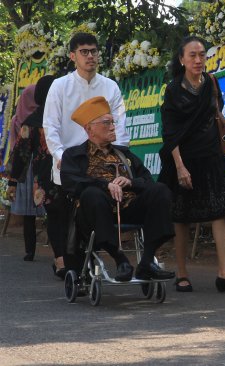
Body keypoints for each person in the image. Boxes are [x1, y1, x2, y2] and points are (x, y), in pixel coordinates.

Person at [159, 36, 225, 293]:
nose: (198, 60)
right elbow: (170, 133)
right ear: (181, 60)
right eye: (192, 56)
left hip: (211, 156)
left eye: (202, 55)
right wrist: (179, 167)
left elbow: (216, 112)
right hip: (184, 159)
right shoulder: (173, 89)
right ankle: (182, 273)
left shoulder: (211, 82)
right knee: (181, 217)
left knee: (220, 213)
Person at [61, 96, 175, 281]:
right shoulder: (74, 156)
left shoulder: (124, 154)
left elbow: (147, 180)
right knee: (91, 194)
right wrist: (105, 185)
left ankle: (146, 262)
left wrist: (130, 182)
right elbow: (71, 183)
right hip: (95, 212)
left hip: (128, 207)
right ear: (89, 128)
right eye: (107, 123)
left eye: (113, 122)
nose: (113, 127)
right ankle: (120, 259)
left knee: (160, 191)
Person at [43, 32, 129, 271]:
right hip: (70, 163)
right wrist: (61, 157)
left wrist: (119, 159)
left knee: (95, 211)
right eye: (84, 52)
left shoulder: (109, 86)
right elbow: (51, 126)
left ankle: (90, 263)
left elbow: (120, 127)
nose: (90, 56)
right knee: (66, 216)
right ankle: (68, 263)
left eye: (93, 51)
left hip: (103, 163)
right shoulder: (60, 87)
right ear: (73, 56)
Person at [8, 76, 67, 277]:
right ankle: (62, 258)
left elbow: (21, 155)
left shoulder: (32, 122)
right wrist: (13, 181)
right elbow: (21, 154)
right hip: (60, 176)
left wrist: (13, 182)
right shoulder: (64, 118)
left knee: (56, 216)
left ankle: (62, 259)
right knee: (62, 215)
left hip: (47, 178)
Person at [6, 84, 45, 262]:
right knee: (50, 210)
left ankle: (30, 251)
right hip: (39, 167)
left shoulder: (20, 120)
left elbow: (16, 147)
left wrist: (13, 180)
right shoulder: (46, 116)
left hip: (23, 168)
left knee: (29, 214)